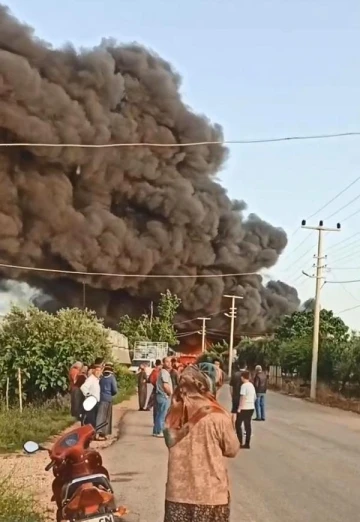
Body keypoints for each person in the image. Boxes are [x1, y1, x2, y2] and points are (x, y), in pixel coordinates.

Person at [163, 364, 239, 522]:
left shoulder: (173, 414)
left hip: (177, 494)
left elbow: (169, 441)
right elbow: (232, 449)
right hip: (210, 495)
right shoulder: (218, 416)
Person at [96, 363, 118, 440]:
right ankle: (104, 433)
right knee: (106, 417)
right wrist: (111, 394)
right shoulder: (112, 378)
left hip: (101, 398)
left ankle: (98, 432)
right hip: (108, 399)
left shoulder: (101, 378)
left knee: (100, 415)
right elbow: (115, 390)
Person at [236, 370, 256, 449]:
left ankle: (240, 441)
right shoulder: (251, 385)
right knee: (248, 425)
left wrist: (239, 408)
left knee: (238, 424)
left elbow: (242, 397)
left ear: (242, 377)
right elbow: (255, 397)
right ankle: (247, 443)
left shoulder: (244, 386)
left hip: (244, 407)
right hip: (251, 407)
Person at [154, 357, 173, 438]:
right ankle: (160, 431)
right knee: (163, 415)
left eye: (170, 361)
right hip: (164, 396)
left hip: (160, 395)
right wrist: (170, 394)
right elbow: (165, 385)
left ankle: (156, 431)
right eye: (167, 362)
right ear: (163, 363)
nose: (169, 363)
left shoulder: (162, 371)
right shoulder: (165, 372)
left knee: (159, 414)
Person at [80, 364, 103, 428]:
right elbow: (83, 387)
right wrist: (88, 395)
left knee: (94, 419)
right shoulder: (91, 379)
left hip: (96, 402)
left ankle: (92, 434)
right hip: (91, 402)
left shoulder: (97, 379)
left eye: (99, 370)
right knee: (90, 419)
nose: (98, 372)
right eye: (97, 370)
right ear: (93, 371)